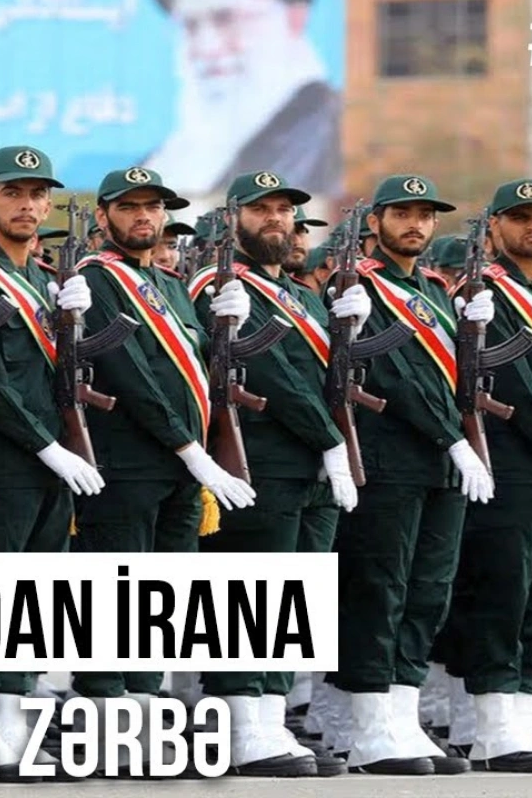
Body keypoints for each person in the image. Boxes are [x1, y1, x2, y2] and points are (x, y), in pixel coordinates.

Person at [70, 166, 255, 773]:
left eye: (153, 207)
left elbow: (193, 370)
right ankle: (103, 721)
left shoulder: (170, 284)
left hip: (180, 468)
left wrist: (229, 325)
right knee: (114, 594)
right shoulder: (98, 279)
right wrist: (188, 448)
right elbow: (131, 374)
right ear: (104, 216)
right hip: (127, 461)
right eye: (129, 207)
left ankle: (145, 713)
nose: (144, 217)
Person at [186, 170, 363, 777]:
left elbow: (326, 377)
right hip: (260, 460)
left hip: (312, 465)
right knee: (251, 596)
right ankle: (239, 728)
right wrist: (330, 440)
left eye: (284, 210)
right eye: (261, 209)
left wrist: (352, 329)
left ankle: (269, 719)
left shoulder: (297, 293)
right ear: (233, 218)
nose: (275, 219)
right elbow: (274, 377)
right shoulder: (221, 285)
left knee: (295, 600)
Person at [0, 145, 103, 779]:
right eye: (13, 193)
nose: (29, 205)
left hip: (51, 465)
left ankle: (15, 725)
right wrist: (47, 445)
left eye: (38, 195)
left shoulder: (46, 281)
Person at [331, 174, 494, 775]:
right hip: (389, 458)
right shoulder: (357, 285)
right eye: (402, 213)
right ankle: (368, 727)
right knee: (380, 590)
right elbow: (393, 377)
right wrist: (453, 439)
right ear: (375, 222)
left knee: (428, 592)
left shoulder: (432, 289)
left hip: (442, 465)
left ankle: (402, 719)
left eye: (425, 215)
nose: (416, 225)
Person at [441, 179, 532, 772]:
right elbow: (512, 382)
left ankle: (524, 713)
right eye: (520, 217)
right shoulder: (481, 291)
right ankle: (493, 723)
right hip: (510, 460)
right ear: (494, 226)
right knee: (504, 591)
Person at [144, 0, 341, 197]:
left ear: (294, 19)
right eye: (190, 26)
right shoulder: (165, 161)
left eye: (226, 20)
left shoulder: (337, 134)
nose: (207, 48)